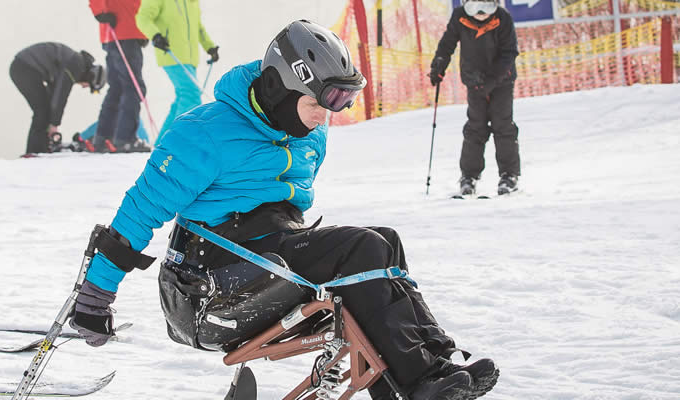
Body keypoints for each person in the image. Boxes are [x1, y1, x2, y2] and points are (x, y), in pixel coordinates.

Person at [67, 20, 498, 400]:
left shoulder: (310, 133)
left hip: (268, 256)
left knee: (385, 241)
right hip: (206, 287)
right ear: (279, 88)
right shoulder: (203, 134)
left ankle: (429, 367)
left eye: (339, 105)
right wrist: (96, 295)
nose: (325, 117)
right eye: (319, 104)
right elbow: (139, 212)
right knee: (360, 247)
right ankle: (418, 379)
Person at [429, 0, 520, 197]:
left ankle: (509, 175)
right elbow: (447, 43)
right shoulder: (460, 17)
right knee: (475, 127)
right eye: (474, 7)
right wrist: (439, 65)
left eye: (486, 7)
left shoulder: (502, 18)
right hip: (474, 81)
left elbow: (509, 53)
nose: (480, 13)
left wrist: (492, 79)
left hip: (501, 82)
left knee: (502, 125)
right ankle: (469, 176)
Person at [135, 0, 218, 141]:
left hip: (190, 58)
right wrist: (155, 36)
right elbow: (142, 17)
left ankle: (164, 141)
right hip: (171, 53)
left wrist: (209, 46)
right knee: (190, 94)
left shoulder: (192, 2)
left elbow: (198, 27)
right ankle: (180, 140)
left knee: (183, 97)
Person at [9, 42, 107, 156]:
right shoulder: (76, 65)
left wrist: (52, 123)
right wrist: (54, 124)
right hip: (24, 68)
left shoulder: (72, 63)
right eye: (89, 86)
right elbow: (61, 94)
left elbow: (54, 95)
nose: (84, 87)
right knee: (42, 111)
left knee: (45, 111)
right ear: (91, 77)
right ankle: (33, 152)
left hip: (24, 67)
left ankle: (42, 149)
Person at [89, 0, 151, 153]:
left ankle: (104, 137)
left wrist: (142, 32)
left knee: (117, 87)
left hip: (122, 32)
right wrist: (99, 12)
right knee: (133, 87)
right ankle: (125, 139)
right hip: (123, 31)